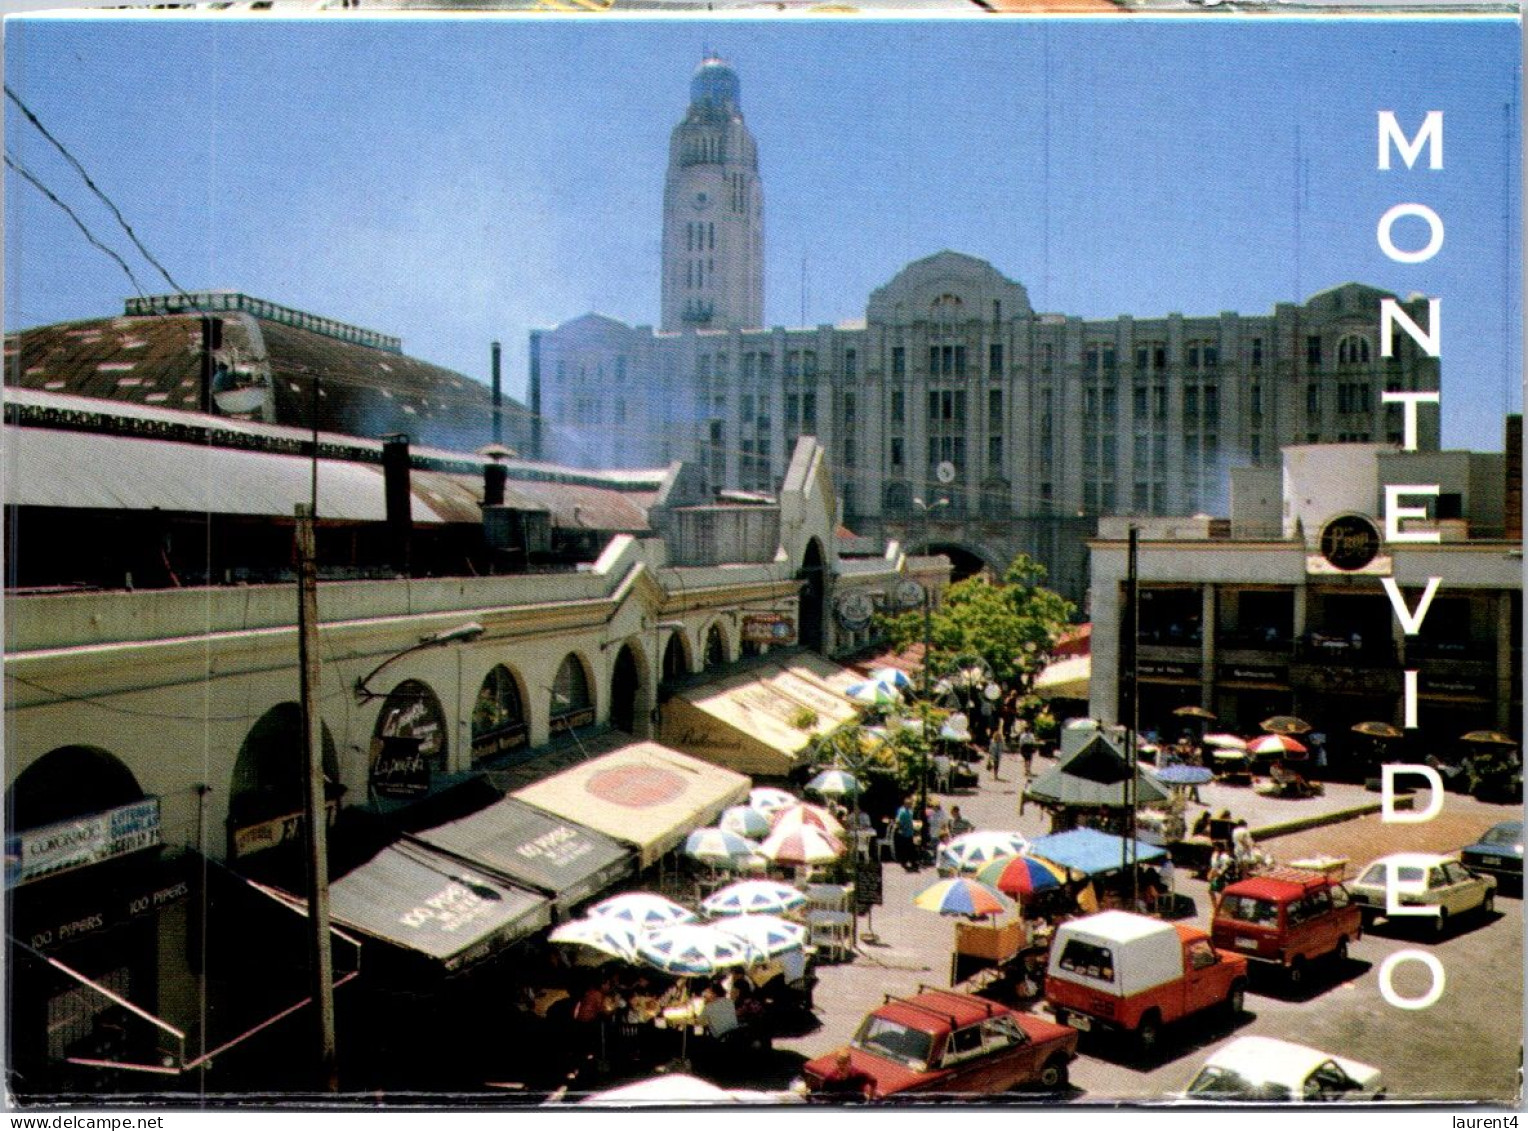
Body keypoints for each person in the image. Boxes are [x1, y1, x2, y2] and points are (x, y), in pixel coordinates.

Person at [893, 797, 918, 871]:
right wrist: (900, 827)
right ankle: (905, 861)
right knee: (905, 848)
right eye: (909, 804)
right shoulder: (902, 811)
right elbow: (898, 821)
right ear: (905, 804)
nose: (910, 805)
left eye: (910, 804)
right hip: (904, 832)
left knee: (910, 848)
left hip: (909, 831)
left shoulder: (910, 811)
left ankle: (912, 861)